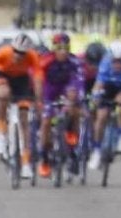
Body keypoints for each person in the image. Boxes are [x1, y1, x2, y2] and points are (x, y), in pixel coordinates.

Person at [0, 32, 43, 179]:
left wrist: (38, 100)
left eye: (22, 53)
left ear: (27, 52)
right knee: (3, 95)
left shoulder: (32, 56)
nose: (18, 55)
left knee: (24, 119)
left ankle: (25, 163)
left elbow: (37, 80)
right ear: (12, 48)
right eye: (16, 51)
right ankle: (1, 131)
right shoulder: (3, 53)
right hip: (3, 76)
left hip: (21, 80)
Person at [88, 39, 121, 171]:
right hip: (109, 88)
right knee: (101, 116)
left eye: (120, 61)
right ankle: (96, 151)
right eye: (115, 61)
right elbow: (98, 84)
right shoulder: (105, 64)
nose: (117, 64)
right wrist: (95, 96)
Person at [37, 32, 85, 179]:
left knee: (74, 108)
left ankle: (72, 137)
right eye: (59, 48)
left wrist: (78, 97)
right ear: (54, 49)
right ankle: (45, 159)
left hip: (66, 90)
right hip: (49, 92)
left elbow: (79, 81)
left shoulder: (74, 62)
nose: (63, 51)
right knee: (45, 123)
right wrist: (39, 100)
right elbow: (37, 80)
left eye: (66, 48)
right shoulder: (45, 61)